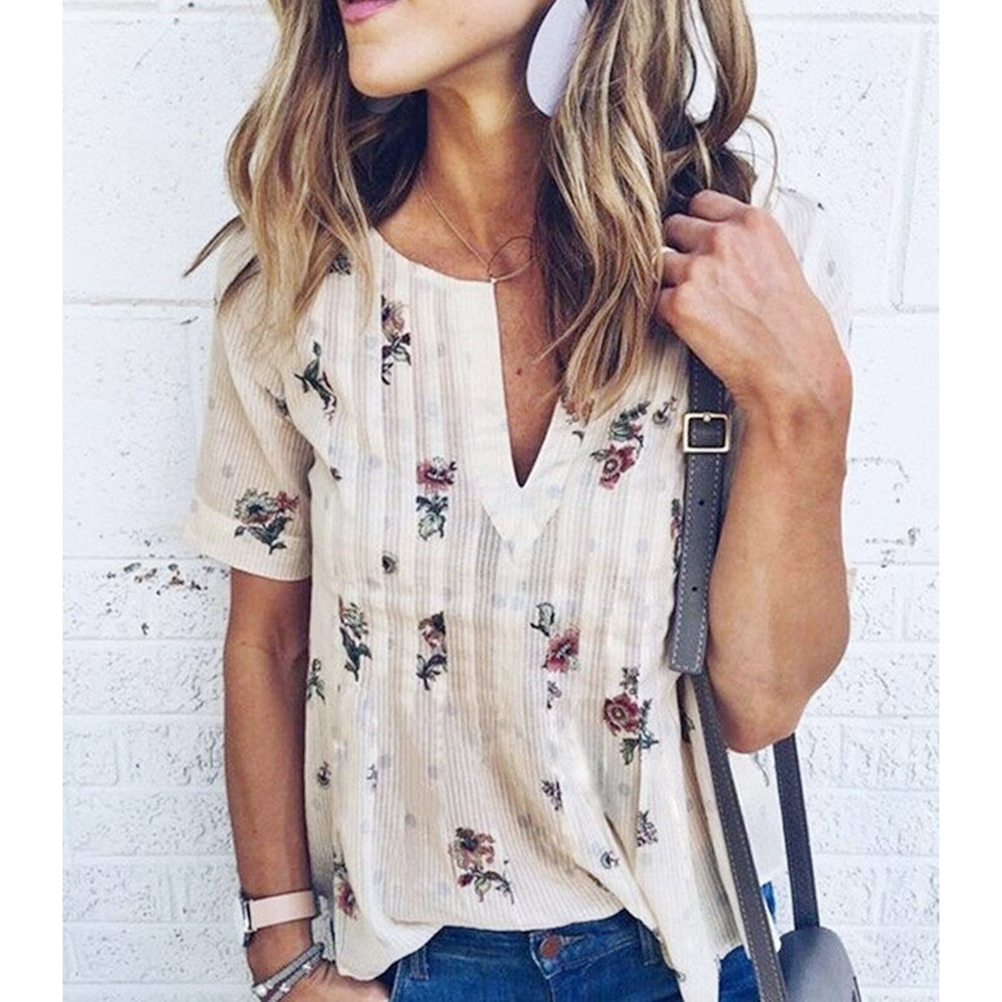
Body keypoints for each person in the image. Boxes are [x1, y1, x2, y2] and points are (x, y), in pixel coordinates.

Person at [180, 1, 855, 1000]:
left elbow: (758, 707)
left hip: (690, 956)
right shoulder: (297, 277)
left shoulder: (756, 263)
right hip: (416, 967)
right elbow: (266, 638)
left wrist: (806, 407)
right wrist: (280, 953)